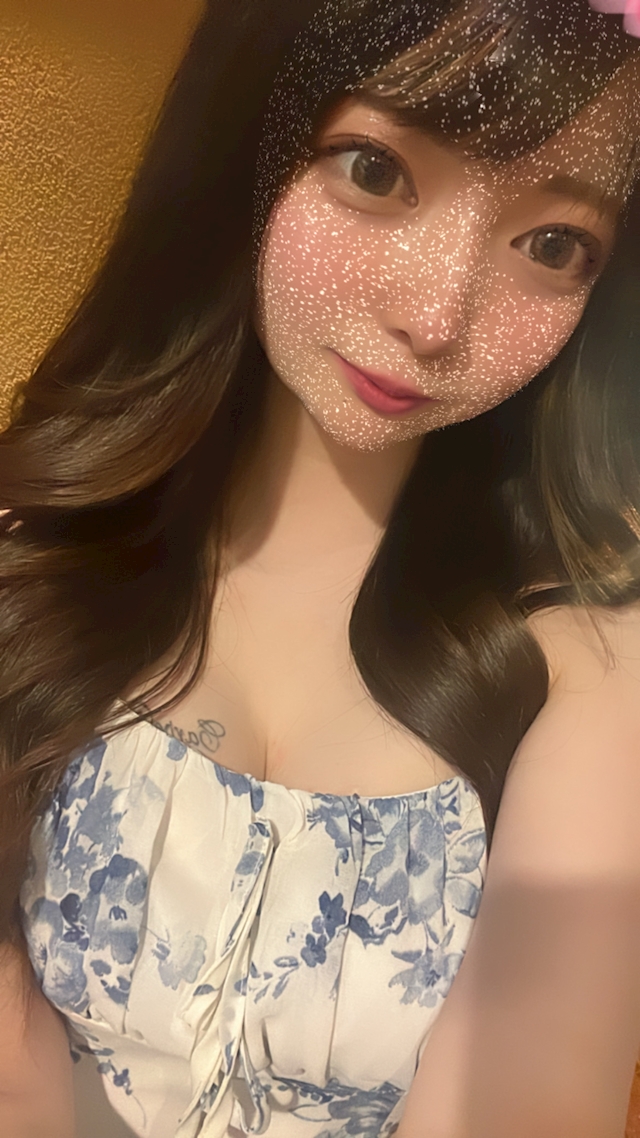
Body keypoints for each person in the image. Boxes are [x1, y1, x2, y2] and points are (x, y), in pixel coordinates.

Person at [1, 0, 640, 1135]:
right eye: (375, 170)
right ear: (248, 142)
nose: (435, 316)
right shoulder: (40, 545)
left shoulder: (591, 658)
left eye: (552, 245)